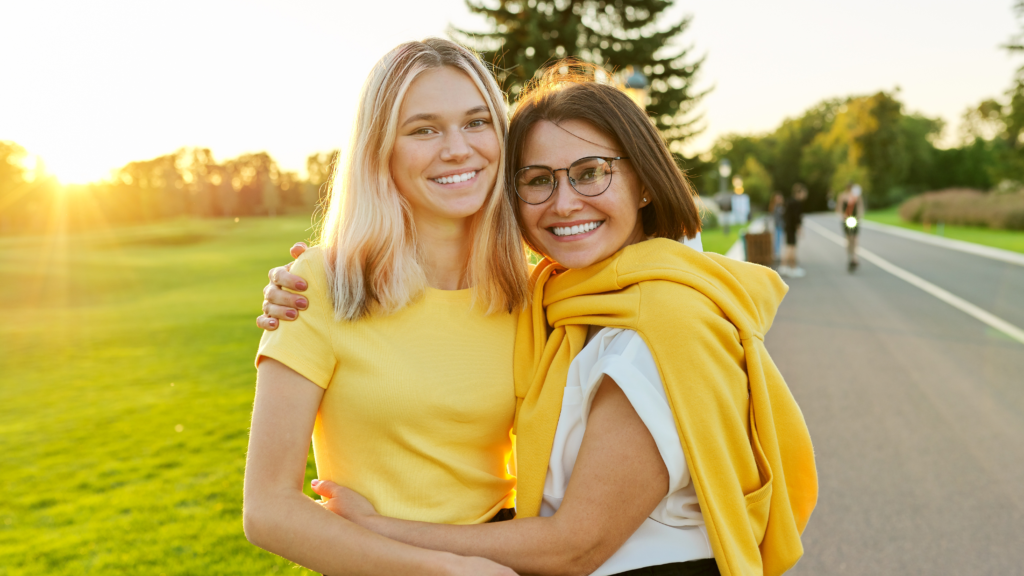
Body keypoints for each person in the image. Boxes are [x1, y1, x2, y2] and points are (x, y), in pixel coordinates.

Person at [263, 67, 817, 576]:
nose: (565, 203)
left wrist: (384, 530)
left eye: (591, 173)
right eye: (537, 180)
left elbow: (575, 544)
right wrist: (321, 277)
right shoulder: (549, 300)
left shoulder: (658, 321)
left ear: (646, 181)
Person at [243, 38, 528, 575]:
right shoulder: (320, 285)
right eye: (423, 130)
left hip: (506, 557)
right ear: (380, 150)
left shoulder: (529, 293)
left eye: (477, 122)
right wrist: (448, 571)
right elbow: (267, 510)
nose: (458, 149)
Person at [778, 184, 807, 278]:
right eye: (803, 193)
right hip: (791, 228)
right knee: (792, 248)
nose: (805, 195)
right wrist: (799, 229)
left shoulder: (789, 202)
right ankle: (791, 267)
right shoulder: (796, 203)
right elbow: (796, 218)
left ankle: (786, 266)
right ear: (799, 193)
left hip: (788, 227)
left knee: (789, 247)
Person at [836, 183, 864, 272]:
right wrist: (842, 215)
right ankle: (850, 255)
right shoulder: (842, 196)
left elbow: (860, 206)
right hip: (846, 220)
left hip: (854, 219)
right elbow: (839, 207)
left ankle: (855, 257)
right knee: (849, 238)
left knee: (855, 238)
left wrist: (859, 216)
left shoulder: (856, 196)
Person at [768, 192, 785, 262]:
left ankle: (779, 254)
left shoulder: (782, 207)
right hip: (777, 226)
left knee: (781, 241)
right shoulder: (775, 207)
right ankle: (776, 255)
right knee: (776, 241)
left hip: (781, 226)